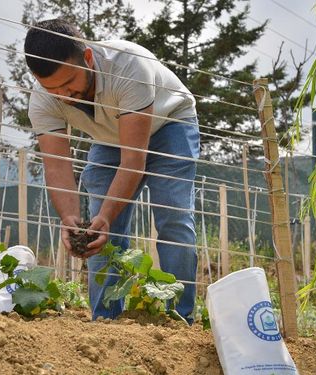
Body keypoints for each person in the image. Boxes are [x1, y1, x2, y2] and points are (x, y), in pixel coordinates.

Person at [24, 19, 199, 322]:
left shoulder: (128, 66)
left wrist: (106, 215)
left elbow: (134, 160)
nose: (64, 95)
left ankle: (179, 318)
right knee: (96, 231)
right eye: (53, 89)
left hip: (169, 123)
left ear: (88, 58)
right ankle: (105, 320)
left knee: (173, 216)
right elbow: (57, 166)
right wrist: (69, 218)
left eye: (69, 83)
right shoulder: (43, 100)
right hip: (111, 136)